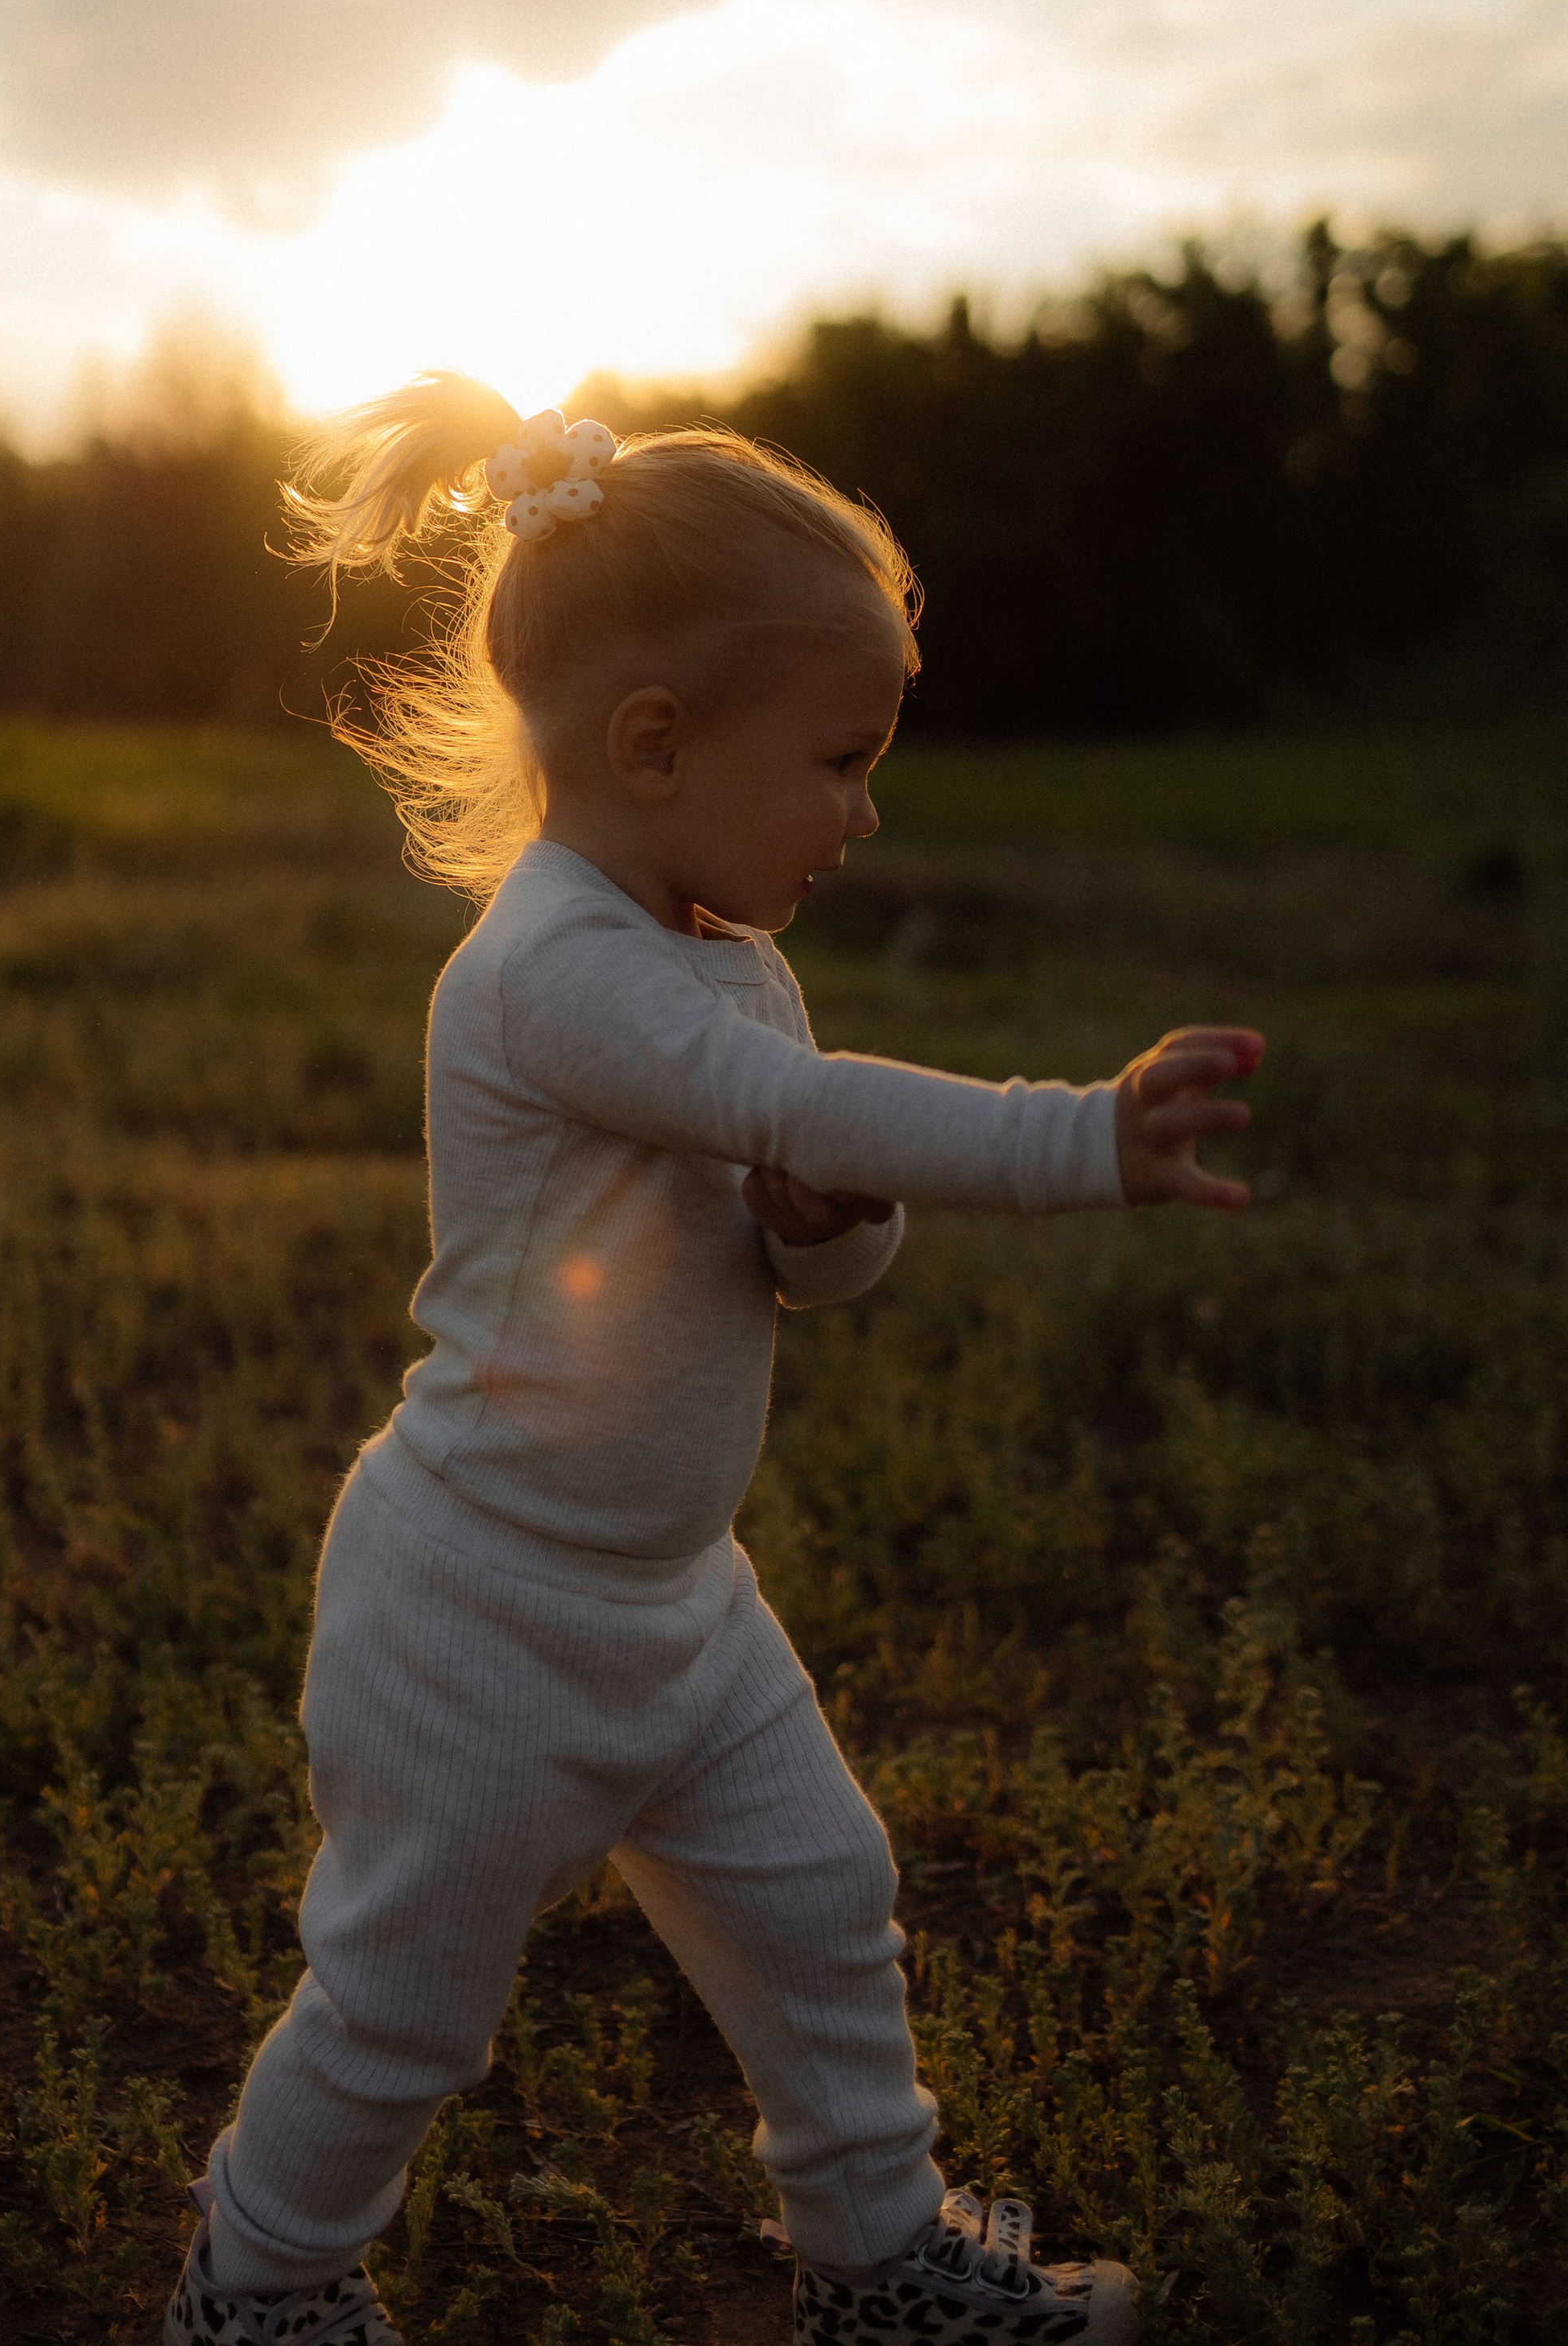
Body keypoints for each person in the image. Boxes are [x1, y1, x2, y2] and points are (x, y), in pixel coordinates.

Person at [166, 379, 1263, 2346]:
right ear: (654, 745)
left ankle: (877, 2268)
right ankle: (258, 2288)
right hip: (479, 1614)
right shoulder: (554, 970)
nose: (862, 811)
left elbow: (794, 1226)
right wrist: (1073, 1136)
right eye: (837, 762)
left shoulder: (719, 945)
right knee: (404, 2006)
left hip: (670, 1600)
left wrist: (818, 1224)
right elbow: (798, 1103)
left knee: (818, 1908)